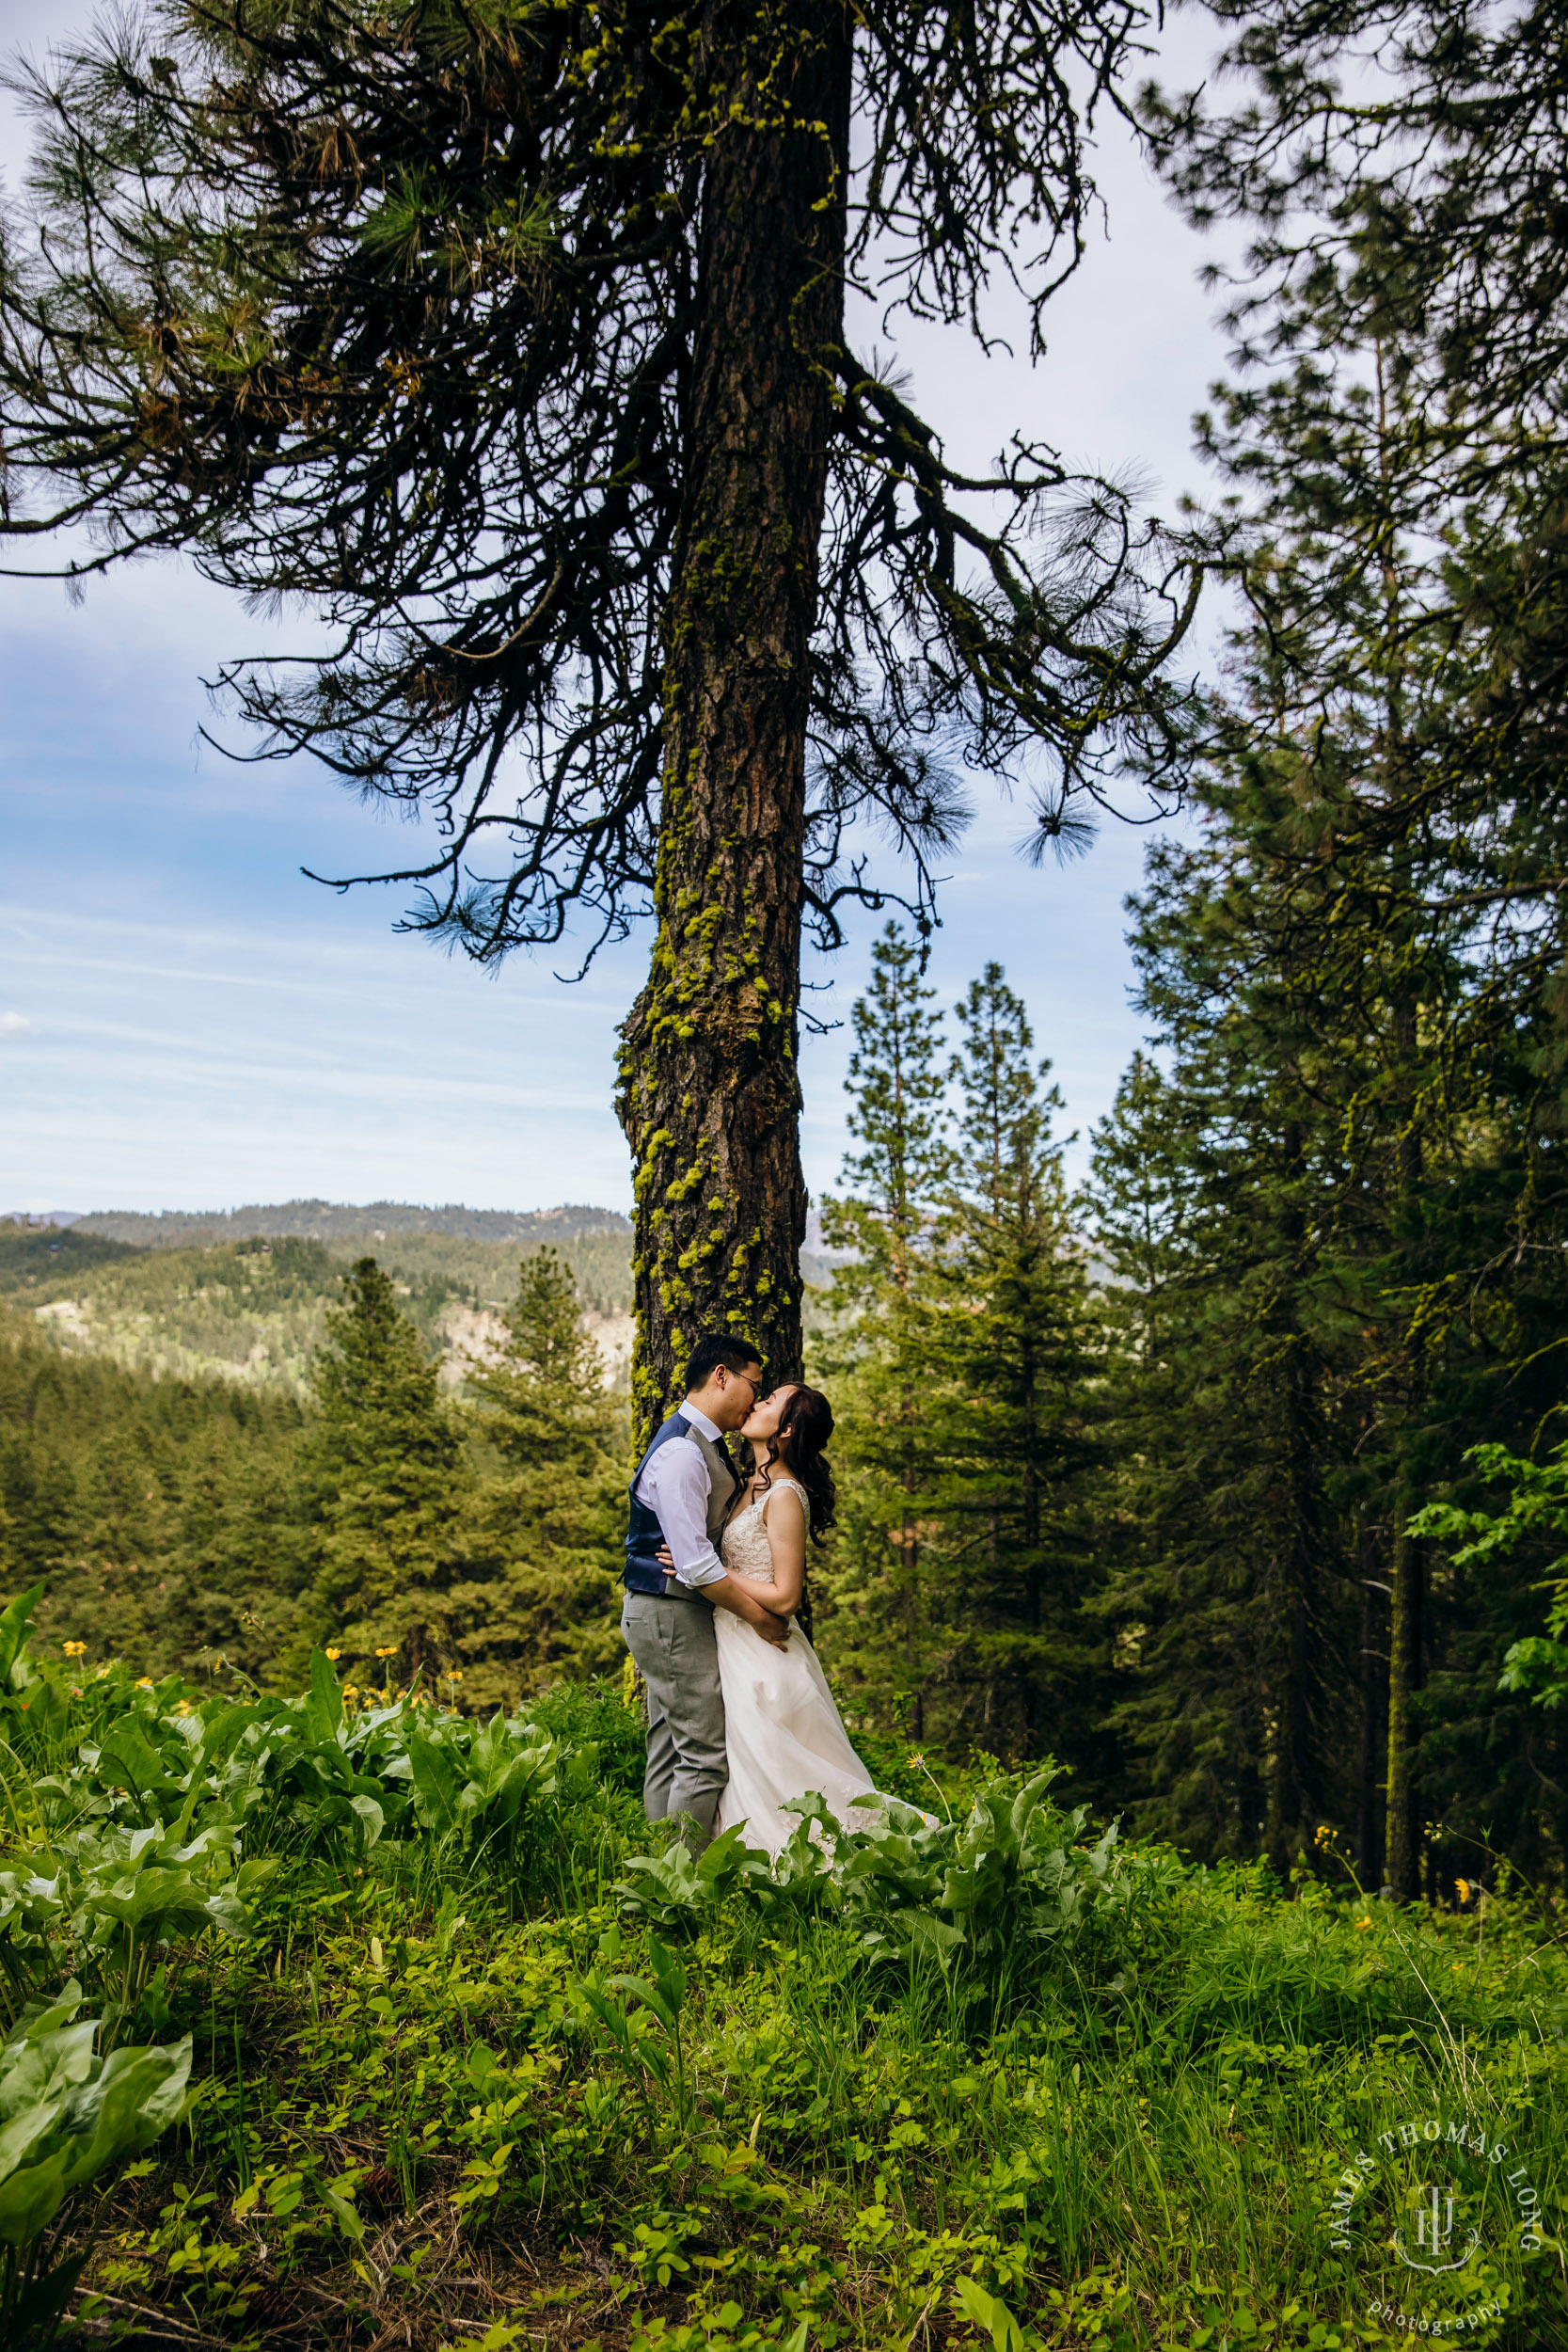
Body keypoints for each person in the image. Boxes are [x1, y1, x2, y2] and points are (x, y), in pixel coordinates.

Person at [620, 1333, 790, 1850]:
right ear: (722, 1376)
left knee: (670, 1748)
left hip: (669, 1609)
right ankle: (678, 1883)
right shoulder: (681, 1454)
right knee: (702, 1754)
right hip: (669, 1611)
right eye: (753, 1385)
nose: (754, 1399)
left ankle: (658, 1868)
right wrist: (760, 1618)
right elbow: (693, 1564)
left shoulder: (702, 1444)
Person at [705, 1381, 888, 1856]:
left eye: (768, 1402)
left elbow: (785, 1597)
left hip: (764, 1654)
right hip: (732, 1640)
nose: (757, 1402)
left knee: (773, 1771)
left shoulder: (784, 1494)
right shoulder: (749, 1481)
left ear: (784, 1429)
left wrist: (714, 1572)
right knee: (750, 1769)